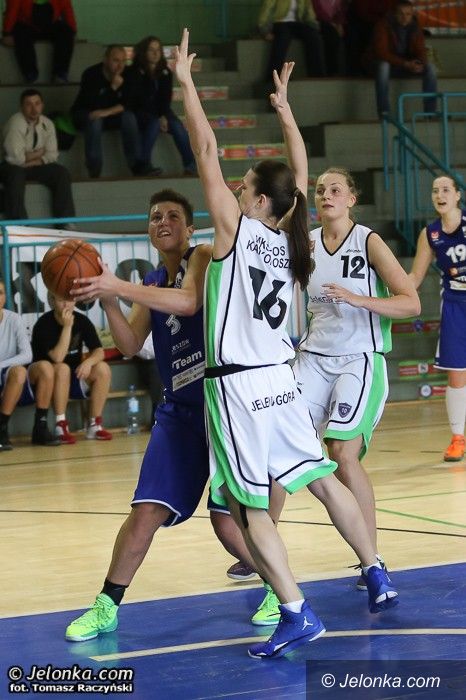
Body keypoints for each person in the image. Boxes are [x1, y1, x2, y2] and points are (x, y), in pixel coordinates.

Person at [175, 28, 398, 660]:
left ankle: (295, 611)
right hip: (282, 378)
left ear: (256, 200)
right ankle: (375, 569)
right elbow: (297, 176)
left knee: (251, 512)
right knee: (323, 481)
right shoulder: (289, 238)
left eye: (243, 185)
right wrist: (284, 112)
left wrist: (187, 85)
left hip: (240, 385)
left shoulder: (235, 232)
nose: (234, 189)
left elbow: (205, 147)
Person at [63, 188, 259, 641]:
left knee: (227, 521)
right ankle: (106, 605)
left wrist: (118, 286)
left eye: (172, 216)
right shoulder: (150, 283)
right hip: (179, 411)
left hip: (223, 405)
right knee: (146, 509)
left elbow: (188, 302)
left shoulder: (203, 256)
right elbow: (131, 344)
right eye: (155, 217)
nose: (163, 222)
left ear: (189, 228)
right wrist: (109, 301)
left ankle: (278, 588)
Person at [293, 167, 420, 588]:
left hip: (359, 359)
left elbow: (411, 303)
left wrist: (358, 299)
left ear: (351, 199)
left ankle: (372, 559)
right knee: (279, 443)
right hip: (313, 357)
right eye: (319, 190)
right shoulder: (306, 244)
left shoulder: (368, 241)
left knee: (342, 454)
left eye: (335, 189)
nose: (325, 195)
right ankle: (257, 547)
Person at [409, 175, 466, 462]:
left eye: (445, 190)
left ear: (457, 195)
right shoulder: (430, 234)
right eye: (435, 191)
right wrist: (384, 293)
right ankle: (458, 438)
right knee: (456, 375)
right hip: (455, 305)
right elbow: (415, 277)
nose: (440, 195)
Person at [31, 293, 112, 444]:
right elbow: (58, 357)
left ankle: (94, 424)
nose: (66, 304)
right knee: (62, 368)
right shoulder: (43, 324)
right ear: (51, 301)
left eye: (70, 300)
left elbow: (99, 351)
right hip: (48, 382)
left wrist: (88, 362)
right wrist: (67, 327)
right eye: (61, 299)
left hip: (74, 376)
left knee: (102, 368)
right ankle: (60, 425)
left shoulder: (82, 320)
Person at [124, 36, 197, 177]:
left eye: (158, 50)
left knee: (177, 125)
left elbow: (165, 99)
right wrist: (159, 117)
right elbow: (138, 99)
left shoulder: (165, 72)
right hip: (140, 112)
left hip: (162, 111)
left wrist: (163, 115)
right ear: (144, 52)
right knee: (154, 123)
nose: (155, 53)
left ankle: (191, 165)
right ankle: (143, 164)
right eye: (151, 50)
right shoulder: (133, 71)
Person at [0, 89, 76, 223]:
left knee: (61, 173)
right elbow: (16, 158)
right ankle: (19, 224)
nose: (34, 109)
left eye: (37, 103)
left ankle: (66, 222)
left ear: (42, 105)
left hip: (34, 165)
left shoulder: (48, 123)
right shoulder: (15, 123)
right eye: (28, 104)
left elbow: (52, 154)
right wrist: (39, 153)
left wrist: (33, 160)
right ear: (21, 107)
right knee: (16, 174)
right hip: (10, 166)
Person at [71, 45, 147, 178]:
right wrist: (113, 88)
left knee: (129, 117)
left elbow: (129, 103)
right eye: (116, 60)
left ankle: (136, 166)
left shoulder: (130, 74)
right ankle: (94, 170)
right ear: (105, 60)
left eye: (123, 61)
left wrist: (107, 112)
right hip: (86, 113)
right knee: (96, 121)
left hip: (111, 114)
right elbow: (92, 106)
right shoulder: (91, 74)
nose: (120, 65)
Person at [0, 278, 59, 448]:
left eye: (0, 293)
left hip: (11, 374)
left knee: (44, 368)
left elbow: (27, 355)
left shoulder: (14, 319)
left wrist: (1, 365)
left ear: (5, 297)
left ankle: (40, 427)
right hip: (10, 375)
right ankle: (2, 429)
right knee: (19, 371)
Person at [364, 0, 437, 117]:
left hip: (404, 65)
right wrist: (405, 64)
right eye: (401, 14)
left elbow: (421, 50)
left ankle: (430, 113)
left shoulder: (415, 27)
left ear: (412, 15)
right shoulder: (383, 25)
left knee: (431, 68)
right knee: (384, 66)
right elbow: (381, 53)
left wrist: (419, 63)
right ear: (394, 14)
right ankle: (384, 113)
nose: (405, 17)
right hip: (381, 65)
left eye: (408, 14)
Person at [1, 0, 76, 84]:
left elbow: (67, 10)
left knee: (66, 31)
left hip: (50, 24)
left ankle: (60, 73)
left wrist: (73, 32)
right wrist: (7, 33)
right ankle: (30, 73)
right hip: (26, 24)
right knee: (20, 32)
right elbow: (12, 10)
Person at [258, 0, 326, 79]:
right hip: (279, 22)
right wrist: (264, 29)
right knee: (283, 36)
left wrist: (314, 26)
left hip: (297, 23)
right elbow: (267, 8)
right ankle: (273, 75)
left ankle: (317, 74)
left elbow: (309, 12)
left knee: (313, 36)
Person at [312, 0, 347, 77]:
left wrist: (339, 23)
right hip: (319, 21)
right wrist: (332, 23)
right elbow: (318, 11)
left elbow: (341, 11)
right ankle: (332, 71)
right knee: (331, 33)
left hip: (334, 23)